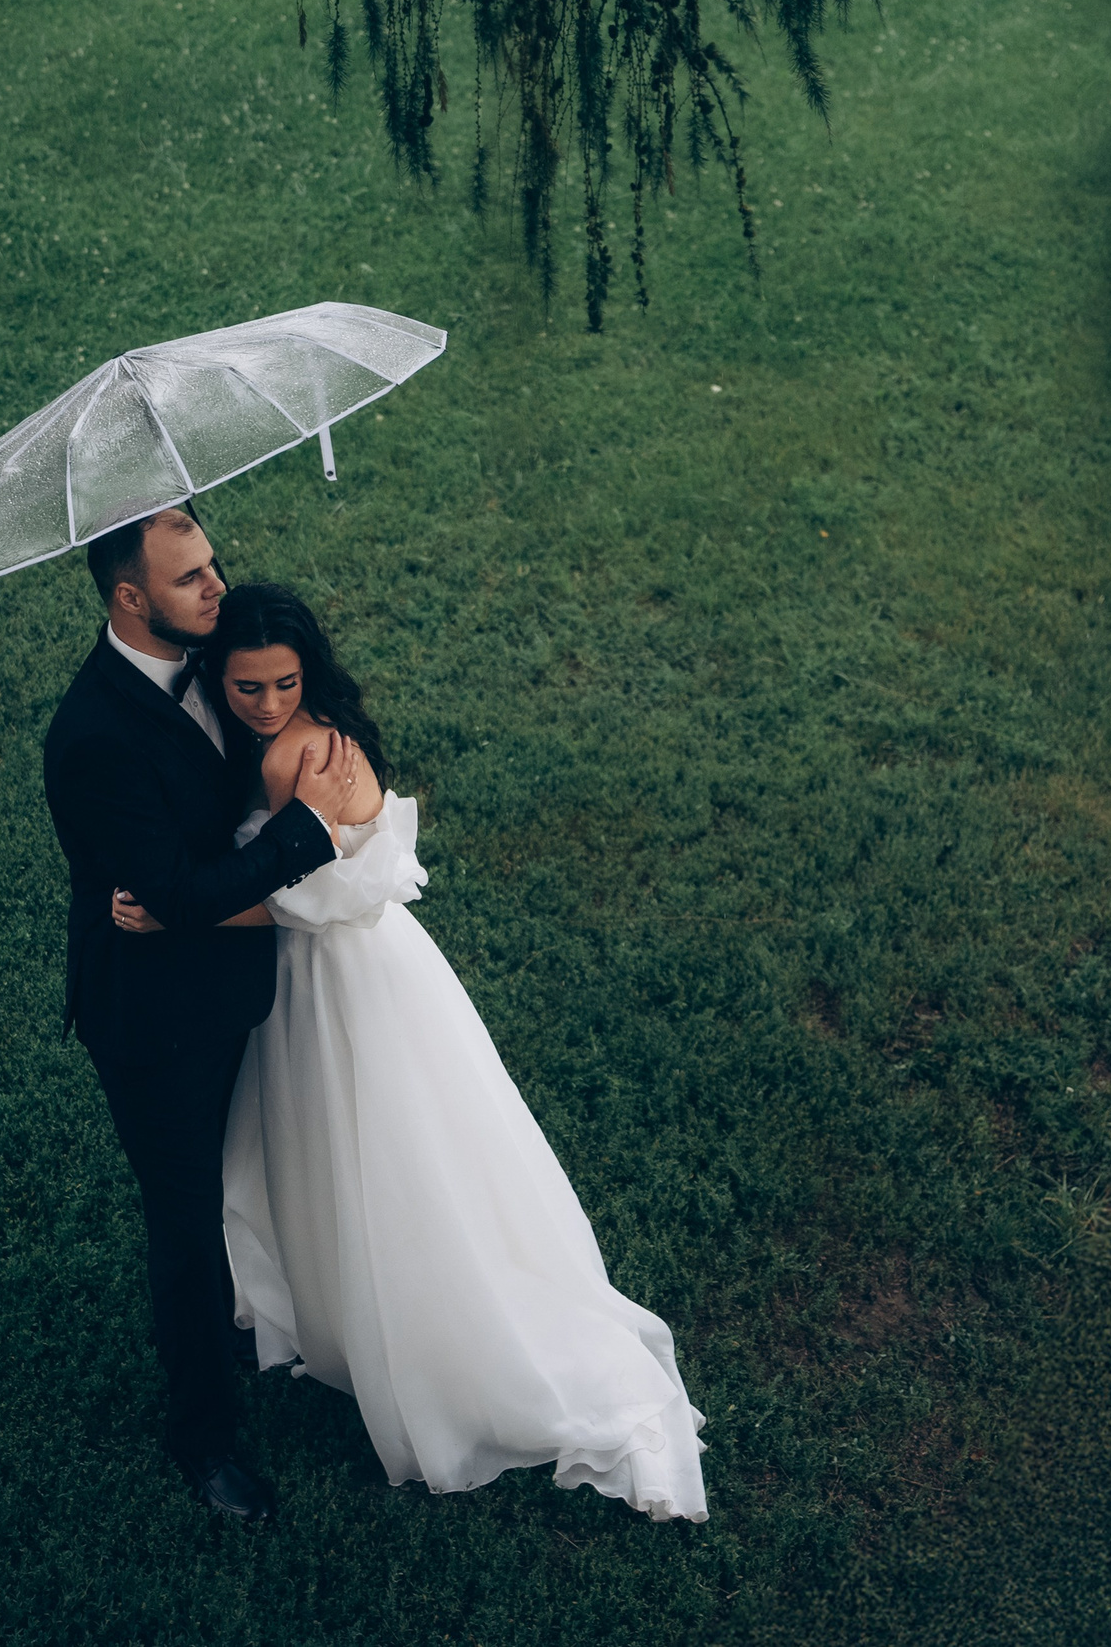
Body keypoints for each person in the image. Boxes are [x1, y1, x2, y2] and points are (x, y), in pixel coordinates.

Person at [111, 583, 709, 1522]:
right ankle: (343, 1304)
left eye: (281, 683)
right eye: (246, 686)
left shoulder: (295, 760)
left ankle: (421, 1333)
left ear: (307, 676)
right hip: (351, 968)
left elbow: (304, 897)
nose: (264, 703)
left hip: (336, 972)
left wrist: (173, 910)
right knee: (349, 1145)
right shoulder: (306, 738)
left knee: (378, 1150)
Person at [39, 508, 360, 1524]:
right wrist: (304, 835)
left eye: (212, 565)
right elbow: (173, 893)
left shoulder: (221, 652)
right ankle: (203, 1438)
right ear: (128, 598)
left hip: (236, 977)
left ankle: (275, 1307)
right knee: (183, 1221)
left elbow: (195, 867)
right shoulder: (91, 736)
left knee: (253, 1170)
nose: (216, 587)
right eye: (189, 579)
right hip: (153, 1017)